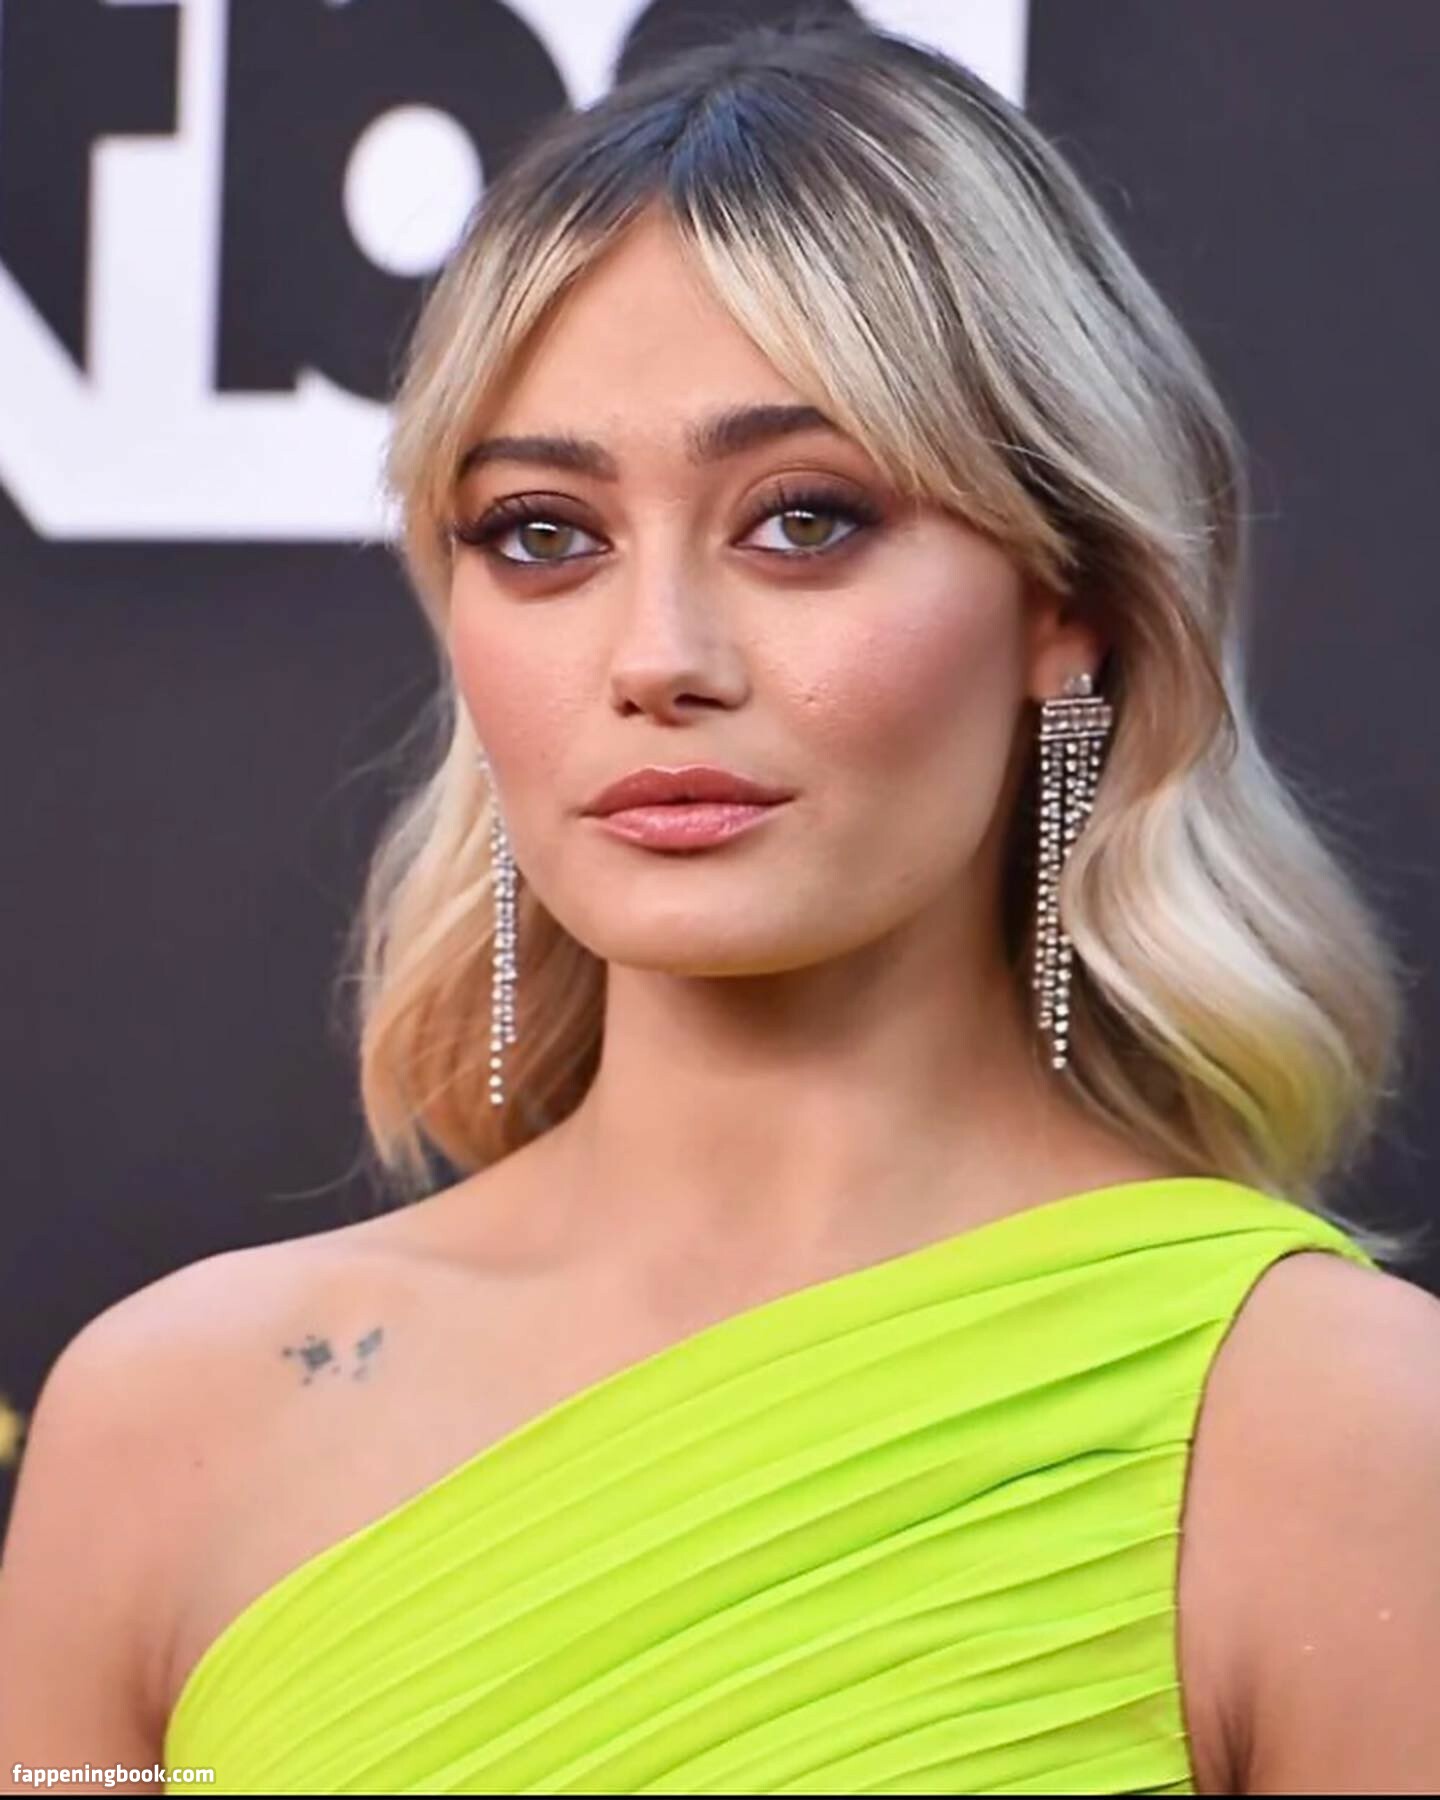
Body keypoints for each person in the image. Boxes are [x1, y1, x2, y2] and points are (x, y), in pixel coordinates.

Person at [2, 18, 1437, 1796]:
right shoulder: (165, 1422)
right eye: (543, 532)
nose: (657, 657)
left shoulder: (1339, 1436)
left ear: (1064, 603)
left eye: (803, 519)